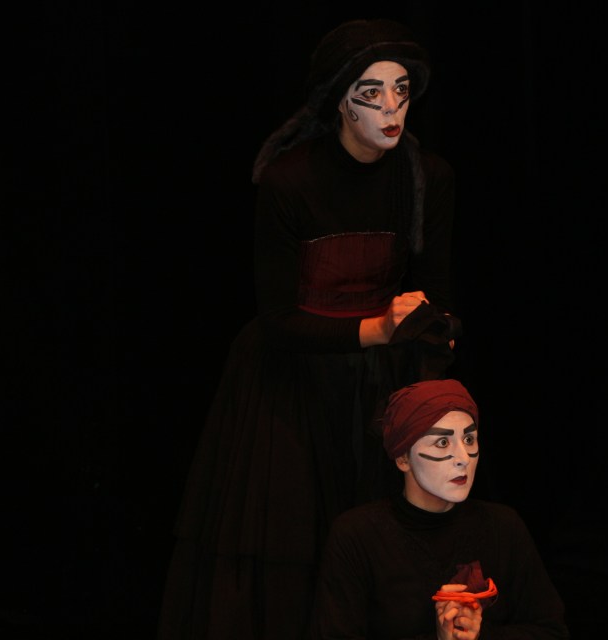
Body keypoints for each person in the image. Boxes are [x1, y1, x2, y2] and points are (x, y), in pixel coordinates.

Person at [157, 18, 460, 639]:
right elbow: (278, 319)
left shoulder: (426, 176)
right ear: (339, 101)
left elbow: (436, 289)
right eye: (371, 92)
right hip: (294, 378)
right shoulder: (291, 180)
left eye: (401, 89)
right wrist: (377, 332)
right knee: (292, 533)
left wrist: (431, 327)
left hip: (380, 377)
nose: (391, 107)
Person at [312, 379, 570, 639]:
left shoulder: (503, 527)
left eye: (469, 439)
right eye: (443, 443)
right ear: (403, 458)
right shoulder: (358, 536)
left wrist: (478, 635)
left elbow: (552, 631)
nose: (463, 458)